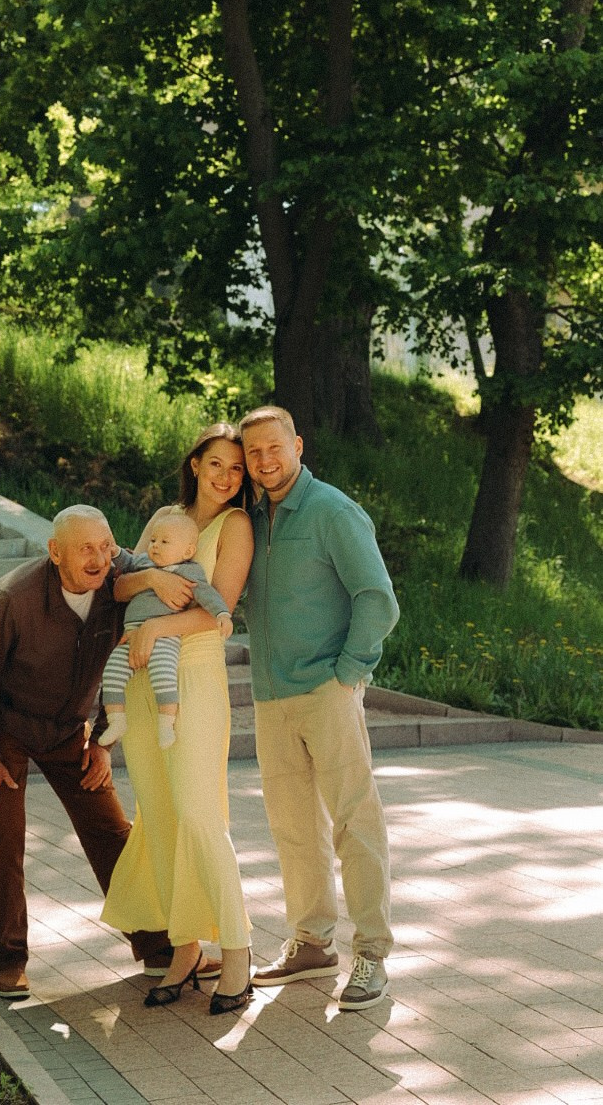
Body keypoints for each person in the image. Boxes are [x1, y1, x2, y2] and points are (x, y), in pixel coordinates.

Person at [0, 504, 171, 1000]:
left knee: (112, 829)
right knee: (3, 835)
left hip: (70, 729)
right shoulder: (16, 597)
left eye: (105, 546)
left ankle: (157, 944)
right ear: (55, 553)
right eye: (84, 549)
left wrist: (101, 742)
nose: (98, 559)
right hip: (4, 728)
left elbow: (161, 583)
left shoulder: (116, 587)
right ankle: (9, 960)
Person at [239, 405, 399, 1011]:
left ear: (298, 445)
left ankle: (373, 954)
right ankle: (311, 942)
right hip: (271, 695)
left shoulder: (333, 510)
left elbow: (376, 599)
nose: (265, 461)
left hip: (326, 691)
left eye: (275, 447)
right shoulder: (251, 518)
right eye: (254, 453)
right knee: (292, 828)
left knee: (354, 821)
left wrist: (348, 675)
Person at [100, 424, 255, 1016]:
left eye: (236, 469)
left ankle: (237, 950)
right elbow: (121, 584)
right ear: (195, 463)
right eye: (217, 463)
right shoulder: (167, 515)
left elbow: (221, 609)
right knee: (160, 815)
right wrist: (155, 581)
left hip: (193, 679)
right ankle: (185, 949)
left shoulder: (235, 526)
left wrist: (160, 623)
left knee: (197, 811)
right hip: (141, 682)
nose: (226, 476)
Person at [99, 511, 234, 750]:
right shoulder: (144, 563)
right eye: (153, 540)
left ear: (187, 552)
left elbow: (206, 593)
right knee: (111, 672)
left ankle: (166, 723)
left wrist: (222, 613)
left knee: (164, 675)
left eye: (164, 542)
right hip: (131, 635)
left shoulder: (189, 571)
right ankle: (116, 720)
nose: (155, 546)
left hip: (164, 638)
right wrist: (116, 551)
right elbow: (126, 565)